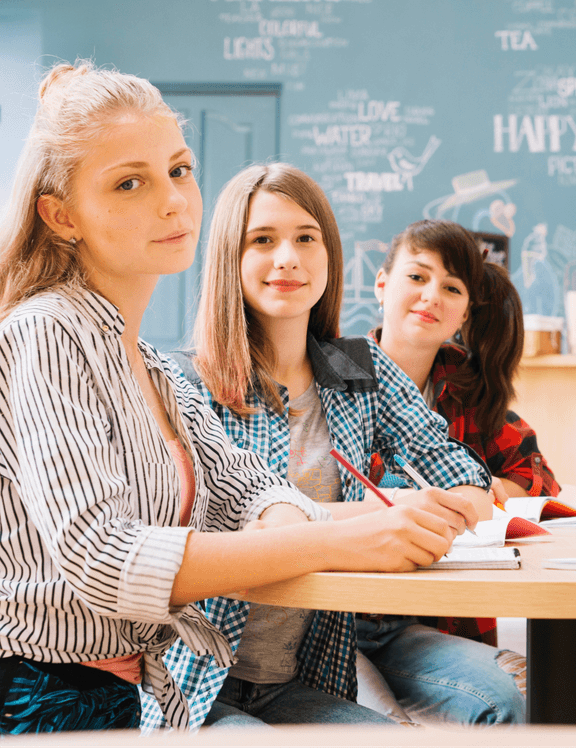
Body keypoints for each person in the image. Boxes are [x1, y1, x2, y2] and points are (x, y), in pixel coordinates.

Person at [0, 62, 470, 734]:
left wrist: (293, 522)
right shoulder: (48, 331)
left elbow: (251, 488)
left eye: (180, 170)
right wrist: (337, 538)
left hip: (142, 691)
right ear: (61, 215)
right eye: (130, 182)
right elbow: (102, 557)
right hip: (49, 703)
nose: (172, 200)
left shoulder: (151, 365)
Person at [144, 164, 525, 730]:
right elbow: (202, 538)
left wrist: (438, 503)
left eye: (306, 238)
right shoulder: (183, 380)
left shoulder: (354, 366)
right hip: (193, 688)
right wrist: (369, 517)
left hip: (300, 680)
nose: (288, 259)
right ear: (230, 257)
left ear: (330, 254)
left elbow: (466, 479)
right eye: (262, 241)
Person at [368, 218, 559, 654]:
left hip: (452, 619)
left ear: (466, 312)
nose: (431, 295)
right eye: (416, 277)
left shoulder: (468, 386)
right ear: (381, 284)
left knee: (512, 693)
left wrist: (479, 490)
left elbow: (539, 477)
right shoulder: (336, 376)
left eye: (452, 288)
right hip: (357, 610)